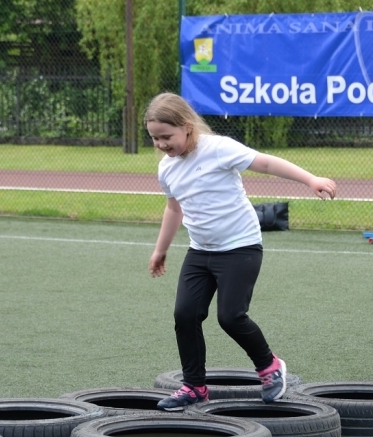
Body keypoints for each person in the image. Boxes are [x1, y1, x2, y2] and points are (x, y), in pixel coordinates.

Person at [144, 92, 337, 411]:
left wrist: (310, 179)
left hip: (240, 247)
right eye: (154, 138)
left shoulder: (218, 148)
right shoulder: (167, 168)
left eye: (167, 136)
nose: (161, 144)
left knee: (231, 316)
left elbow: (265, 162)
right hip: (200, 251)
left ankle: (270, 367)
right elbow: (173, 210)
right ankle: (194, 387)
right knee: (185, 315)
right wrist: (160, 251)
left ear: (187, 127)